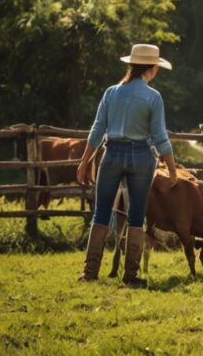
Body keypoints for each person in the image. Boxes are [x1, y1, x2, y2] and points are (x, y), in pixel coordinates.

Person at [75, 43, 178, 287]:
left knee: (100, 213)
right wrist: (172, 169)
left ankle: (90, 273)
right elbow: (160, 136)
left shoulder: (111, 93)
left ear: (132, 65)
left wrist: (84, 162)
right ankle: (130, 276)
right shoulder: (153, 97)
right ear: (151, 69)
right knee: (136, 215)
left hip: (112, 154)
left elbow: (97, 130)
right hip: (142, 156)